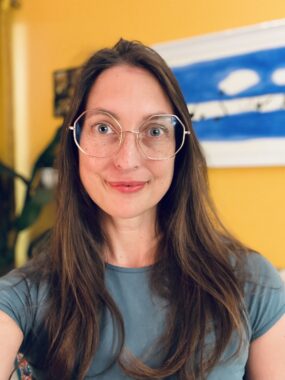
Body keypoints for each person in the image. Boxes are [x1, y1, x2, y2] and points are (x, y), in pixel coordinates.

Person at [0, 39, 284, 380]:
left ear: (180, 149)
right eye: (104, 128)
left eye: (154, 130)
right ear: (75, 143)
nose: (127, 160)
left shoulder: (251, 282)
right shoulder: (25, 296)